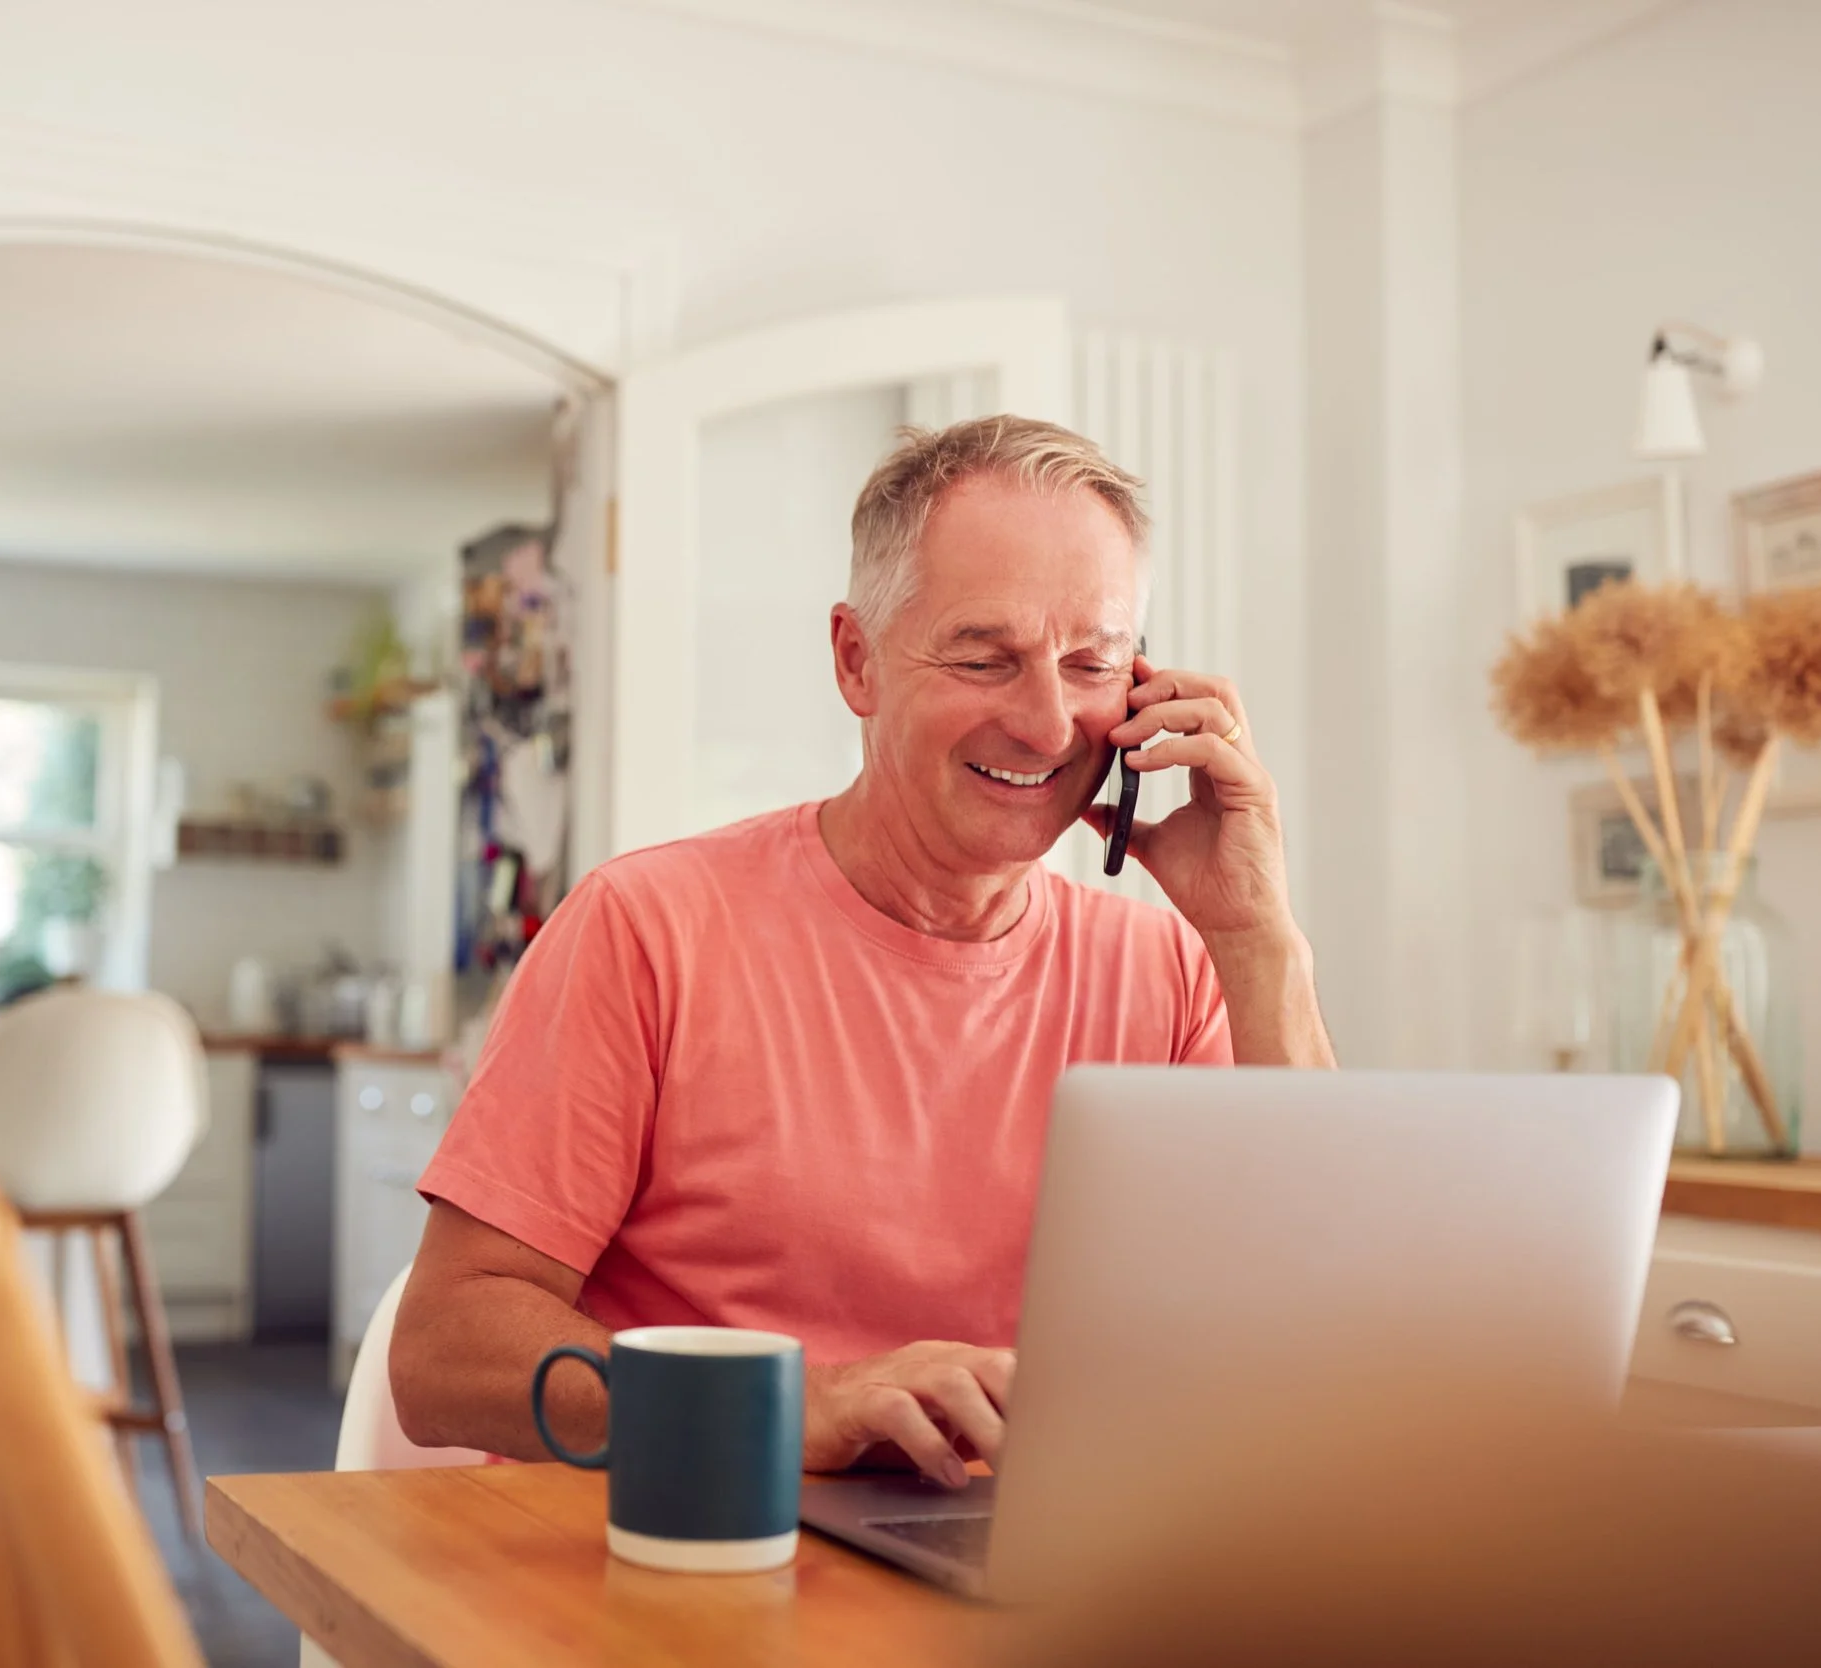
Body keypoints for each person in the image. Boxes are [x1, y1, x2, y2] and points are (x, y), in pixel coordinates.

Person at [391, 415, 1334, 1484]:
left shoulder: (1170, 972)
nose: (1046, 724)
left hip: (1008, 1551)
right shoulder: (645, 928)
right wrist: (783, 1410)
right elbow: (443, 1355)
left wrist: (1257, 936)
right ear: (856, 660)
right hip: (686, 1543)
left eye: (1091, 664)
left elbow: (1315, 1328)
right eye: (984, 658)